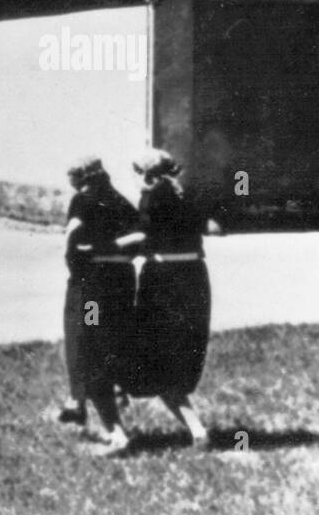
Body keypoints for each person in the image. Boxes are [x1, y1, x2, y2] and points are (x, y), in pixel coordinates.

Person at [114, 150, 211, 448]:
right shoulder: (188, 194)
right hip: (195, 278)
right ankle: (196, 431)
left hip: (164, 281)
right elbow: (211, 227)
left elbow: (142, 236)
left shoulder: (153, 196)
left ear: (148, 175)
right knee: (172, 361)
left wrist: (107, 245)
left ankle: (117, 401)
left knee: (148, 355)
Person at [58, 156, 139, 452]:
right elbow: (141, 237)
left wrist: (76, 260)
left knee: (85, 341)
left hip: (91, 286)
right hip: (121, 280)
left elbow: (73, 234)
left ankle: (115, 431)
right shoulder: (120, 200)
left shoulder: (83, 199)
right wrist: (118, 250)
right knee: (105, 341)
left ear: (82, 178)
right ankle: (77, 402)